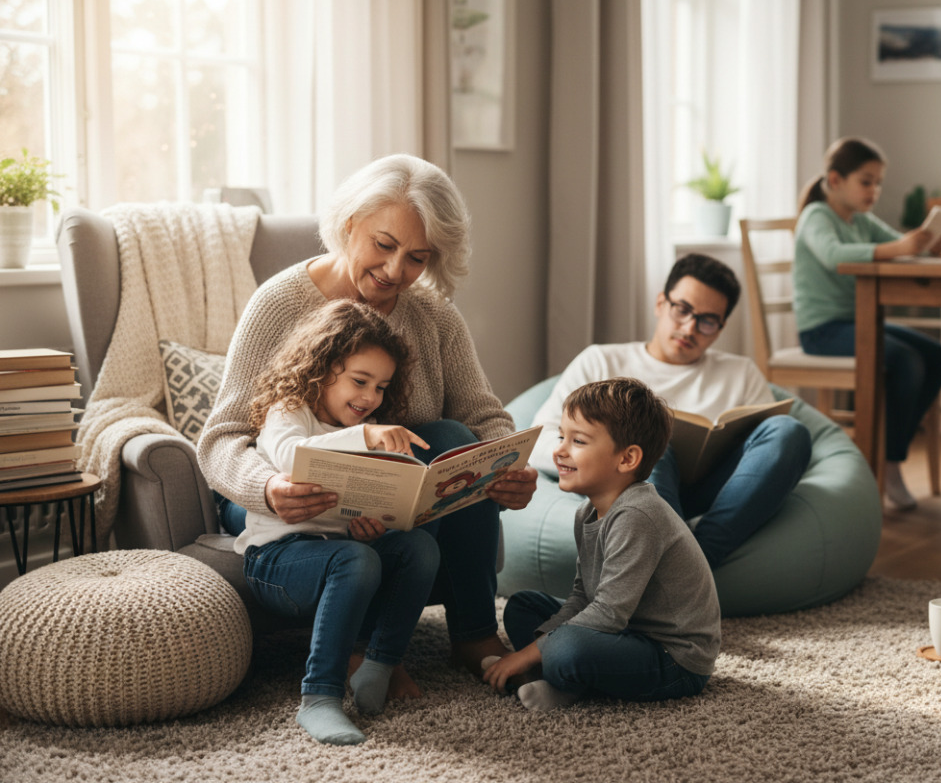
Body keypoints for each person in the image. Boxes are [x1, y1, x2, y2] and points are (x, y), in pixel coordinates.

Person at [197, 154, 538, 683]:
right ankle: (363, 647)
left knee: (454, 438)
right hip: (277, 495)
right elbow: (222, 438)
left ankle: (473, 633)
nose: (396, 271)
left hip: (380, 492)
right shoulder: (279, 304)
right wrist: (267, 488)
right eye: (384, 245)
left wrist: (508, 464)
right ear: (349, 223)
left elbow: (482, 415)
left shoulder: (434, 315)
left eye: (418, 258)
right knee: (439, 441)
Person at [528, 253, 813, 570]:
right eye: (682, 310)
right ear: (661, 303)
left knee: (790, 431)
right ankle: (688, 569)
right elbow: (540, 441)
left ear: (720, 328)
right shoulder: (601, 362)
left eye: (707, 321)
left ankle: (688, 562)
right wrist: (602, 457)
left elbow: (772, 458)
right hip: (633, 486)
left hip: (720, 496)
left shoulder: (741, 372)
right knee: (652, 441)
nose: (690, 328)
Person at [237, 300, 439, 745]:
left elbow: (360, 508)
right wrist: (365, 437)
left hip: (340, 551)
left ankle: (379, 665)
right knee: (356, 560)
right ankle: (319, 698)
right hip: (276, 561)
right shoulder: (288, 410)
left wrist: (375, 522)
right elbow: (294, 458)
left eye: (382, 387)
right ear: (322, 369)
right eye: (360, 381)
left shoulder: (371, 425)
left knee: (418, 547)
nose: (370, 398)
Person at [482, 377, 721, 711]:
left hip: (673, 659)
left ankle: (563, 681)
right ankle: (557, 674)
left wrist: (528, 653)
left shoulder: (638, 515)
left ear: (626, 459)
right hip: (620, 632)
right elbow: (583, 595)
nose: (559, 450)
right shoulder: (588, 512)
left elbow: (608, 613)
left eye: (578, 441)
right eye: (561, 436)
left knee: (567, 648)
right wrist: (547, 641)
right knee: (524, 606)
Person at [793, 136, 941, 511]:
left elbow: (898, 245)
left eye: (878, 182)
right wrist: (900, 248)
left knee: (940, 357)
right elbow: (834, 255)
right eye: (866, 181)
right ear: (835, 180)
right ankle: (891, 462)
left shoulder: (861, 221)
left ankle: (887, 446)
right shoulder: (816, 216)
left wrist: (924, 245)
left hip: (858, 323)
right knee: (905, 360)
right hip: (823, 331)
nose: (875, 190)